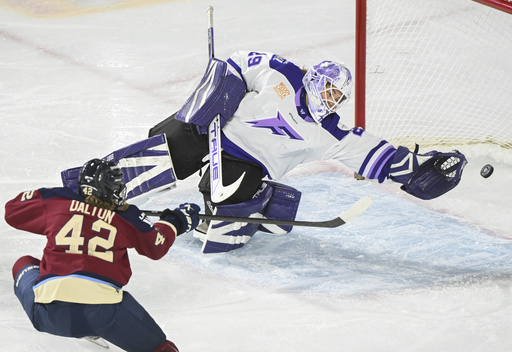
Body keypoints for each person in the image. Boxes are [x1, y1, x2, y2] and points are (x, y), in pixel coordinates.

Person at [146, 50, 466, 253]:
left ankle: (241, 205)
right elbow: (240, 63)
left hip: (244, 160)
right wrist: (222, 87)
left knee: (231, 193)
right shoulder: (283, 75)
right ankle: (120, 182)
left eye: (337, 96)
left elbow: (369, 152)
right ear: (313, 79)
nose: (330, 99)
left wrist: (413, 169)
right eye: (328, 89)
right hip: (215, 127)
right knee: (168, 141)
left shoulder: (327, 131)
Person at [5, 158, 200, 352]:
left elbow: (12, 211)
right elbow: (157, 245)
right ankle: (95, 327)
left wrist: (54, 195)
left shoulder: (58, 202)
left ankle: (81, 326)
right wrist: (177, 220)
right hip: (104, 314)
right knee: (162, 349)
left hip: (48, 313)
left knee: (24, 263)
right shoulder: (126, 216)